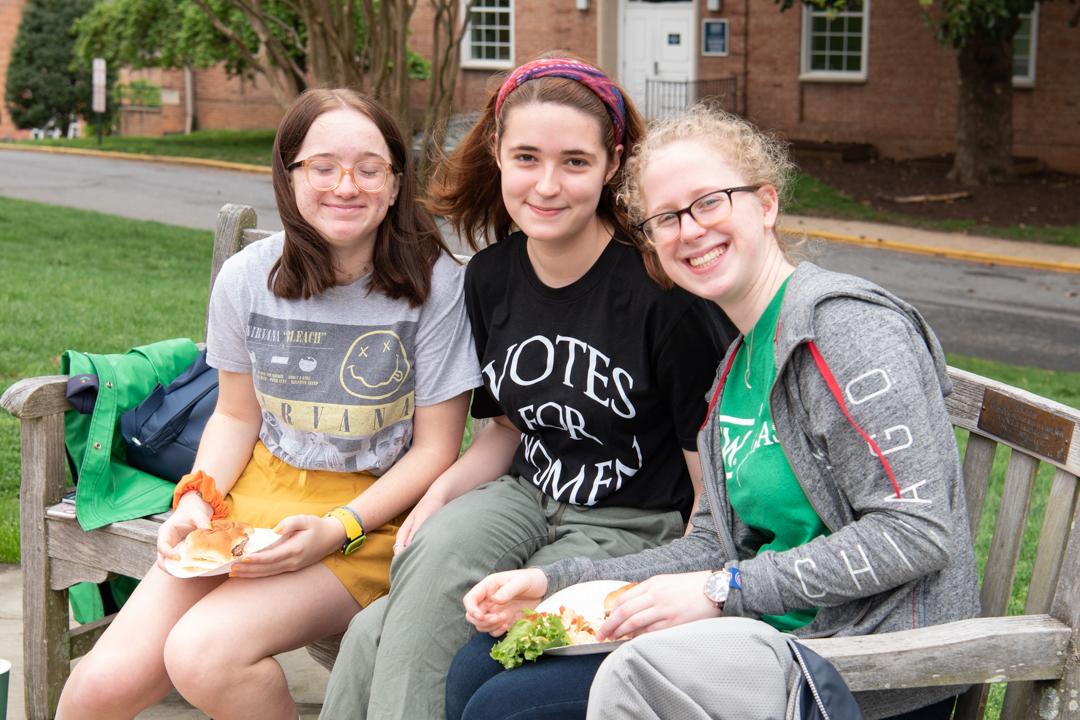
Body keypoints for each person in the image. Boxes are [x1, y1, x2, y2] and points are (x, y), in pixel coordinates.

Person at [455, 106, 980, 720]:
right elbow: (713, 540)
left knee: (508, 709)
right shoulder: (735, 362)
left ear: (765, 204)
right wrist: (559, 582)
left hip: (861, 666)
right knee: (479, 663)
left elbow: (914, 534)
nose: (690, 231)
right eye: (667, 218)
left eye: (710, 202)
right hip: (759, 635)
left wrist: (722, 591)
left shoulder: (844, 328)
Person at [320, 58, 736, 720]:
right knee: (437, 546)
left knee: (377, 635)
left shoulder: (662, 298)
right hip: (522, 496)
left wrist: (680, 597)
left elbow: (707, 487)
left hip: (626, 526)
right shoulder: (490, 278)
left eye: (574, 161)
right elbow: (506, 429)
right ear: (497, 154)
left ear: (612, 164)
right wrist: (438, 497)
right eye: (526, 157)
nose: (547, 184)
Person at [56, 88, 481, 720]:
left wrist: (336, 530)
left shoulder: (437, 285)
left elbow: (437, 449)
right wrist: (197, 498)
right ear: (289, 175)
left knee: (203, 655)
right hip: (254, 501)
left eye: (370, 168)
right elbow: (235, 416)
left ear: (395, 184)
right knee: (93, 693)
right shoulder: (249, 277)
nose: (347, 184)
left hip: (374, 516)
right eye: (322, 166)